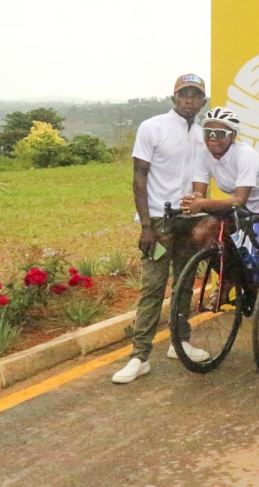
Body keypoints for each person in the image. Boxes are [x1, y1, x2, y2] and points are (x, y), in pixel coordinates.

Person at [113, 73, 207, 384]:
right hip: (159, 222)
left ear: (203, 101)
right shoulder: (152, 127)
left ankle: (180, 341)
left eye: (195, 95)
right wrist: (146, 226)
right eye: (184, 94)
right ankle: (139, 356)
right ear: (174, 98)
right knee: (153, 287)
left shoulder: (203, 133)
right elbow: (139, 178)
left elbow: (201, 177)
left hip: (187, 219)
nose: (189, 100)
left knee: (184, 282)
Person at [181, 107, 259, 254]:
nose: (212, 138)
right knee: (202, 234)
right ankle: (232, 275)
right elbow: (199, 195)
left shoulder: (245, 154)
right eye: (207, 133)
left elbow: (239, 200)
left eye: (220, 133)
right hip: (245, 209)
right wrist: (192, 202)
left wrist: (201, 204)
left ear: (233, 136)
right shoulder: (203, 154)